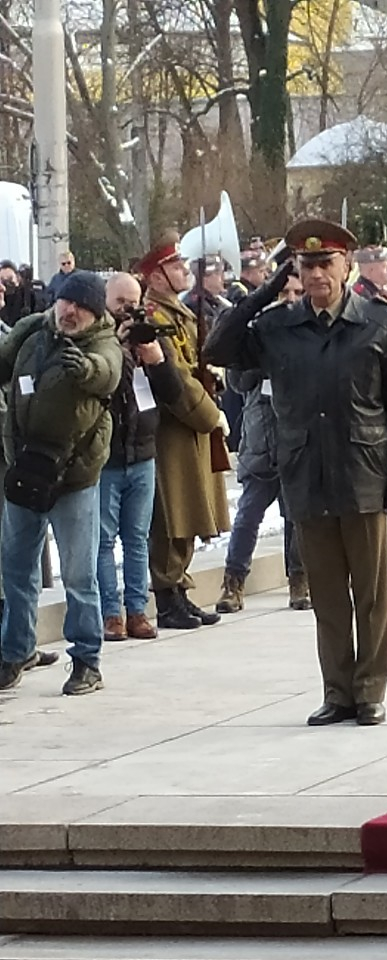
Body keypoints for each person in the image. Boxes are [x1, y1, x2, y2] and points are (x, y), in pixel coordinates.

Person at [204, 218, 387, 727]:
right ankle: (338, 691)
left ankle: (370, 690)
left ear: (347, 266)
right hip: (305, 471)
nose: (316, 275)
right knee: (326, 594)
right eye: (306, 266)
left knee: (370, 594)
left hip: (362, 469)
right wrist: (263, 291)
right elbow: (217, 348)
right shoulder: (278, 326)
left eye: (326, 263)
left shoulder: (380, 322)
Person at [0, 271, 122, 694]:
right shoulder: (35, 336)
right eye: (66, 303)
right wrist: (17, 334)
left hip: (73, 477)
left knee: (77, 573)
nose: (70, 312)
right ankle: (15, 651)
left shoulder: (102, 343)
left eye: (82, 307)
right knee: (15, 569)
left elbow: (108, 372)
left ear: (95, 313)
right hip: (25, 469)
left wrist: (86, 368)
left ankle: (87, 659)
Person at [139, 237, 230, 630]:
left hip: (191, 423)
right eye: (175, 266)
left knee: (191, 511)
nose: (182, 271)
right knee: (172, 514)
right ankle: (166, 592)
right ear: (156, 275)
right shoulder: (156, 317)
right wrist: (209, 414)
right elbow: (172, 376)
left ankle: (179, 587)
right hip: (174, 425)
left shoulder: (180, 312)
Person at [214, 278, 311, 615]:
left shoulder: (307, 333)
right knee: (248, 515)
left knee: (296, 516)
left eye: (297, 294)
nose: (290, 300)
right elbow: (237, 383)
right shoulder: (257, 332)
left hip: (296, 438)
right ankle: (233, 581)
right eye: (284, 293)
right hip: (261, 437)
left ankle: (299, 580)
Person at [97, 272, 181, 643]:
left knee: (137, 537)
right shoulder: (97, 339)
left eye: (134, 303)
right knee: (102, 540)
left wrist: (157, 360)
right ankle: (110, 614)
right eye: (121, 304)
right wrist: (116, 350)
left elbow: (174, 393)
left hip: (143, 453)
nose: (128, 312)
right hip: (106, 457)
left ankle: (137, 611)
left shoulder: (149, 336)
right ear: (106, 303)